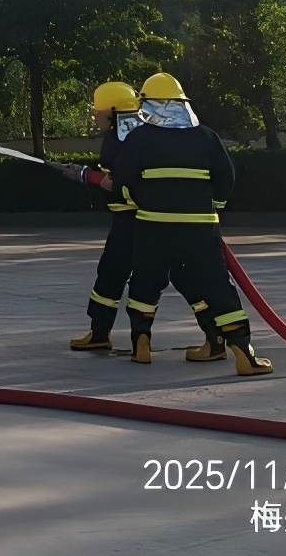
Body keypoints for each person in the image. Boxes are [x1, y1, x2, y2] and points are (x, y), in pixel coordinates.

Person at [113, 72, 273, 376]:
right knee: (216, 285)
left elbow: (122, 180)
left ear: (148, 104)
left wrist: (139, 202)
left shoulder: (139, 138)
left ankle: (141, 344)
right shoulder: (207, 137)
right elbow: (226, 179)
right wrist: (213, 207)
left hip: (153, 226)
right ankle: (244, 353)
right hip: (200, 228)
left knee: (145, 281)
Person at [69, 82, 225, 362]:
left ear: (112, 111)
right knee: (186, 278)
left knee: (112, 275)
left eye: (98, 111)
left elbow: (115, 182)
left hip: (137, 222)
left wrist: (85, 176)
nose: (95, 115)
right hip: (162, 222)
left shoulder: (119, 138)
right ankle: (215, 336)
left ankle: (107, 333)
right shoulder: (153, 133)